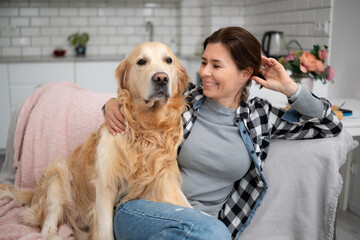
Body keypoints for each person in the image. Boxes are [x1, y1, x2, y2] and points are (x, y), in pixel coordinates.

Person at [103, 26, 342, 240]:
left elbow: (329, 124)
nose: (205, 72)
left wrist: (290, 88)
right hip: (145, 211)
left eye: (216, 65)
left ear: (244, 74)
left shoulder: (259, 117)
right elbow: (136, 95)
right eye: (204, 62)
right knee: (215, 233)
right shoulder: (183, 100)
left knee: (212, 231)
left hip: (201, 228)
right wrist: (111, 104)